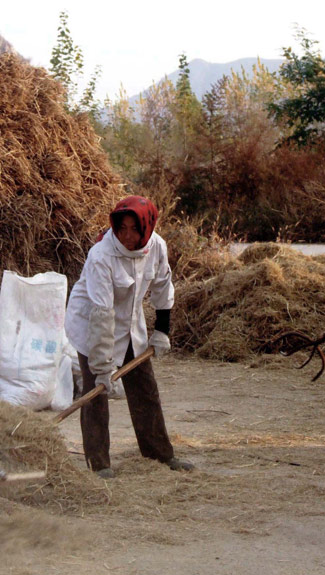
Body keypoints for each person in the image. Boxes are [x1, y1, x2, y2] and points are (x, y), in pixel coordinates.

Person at [64, 195, 193, 478]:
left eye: (134, 229)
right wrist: (101, 368)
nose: (127, 236)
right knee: (94, 393)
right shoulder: (102, 256)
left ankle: (160, 453)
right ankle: (98, 464)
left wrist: (161, 331)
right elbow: (102, 313)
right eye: (121, 228)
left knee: (145, 388)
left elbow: (162, 289)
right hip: (92, 324)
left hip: (130, 324)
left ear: (147, 228)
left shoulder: (156, 247)